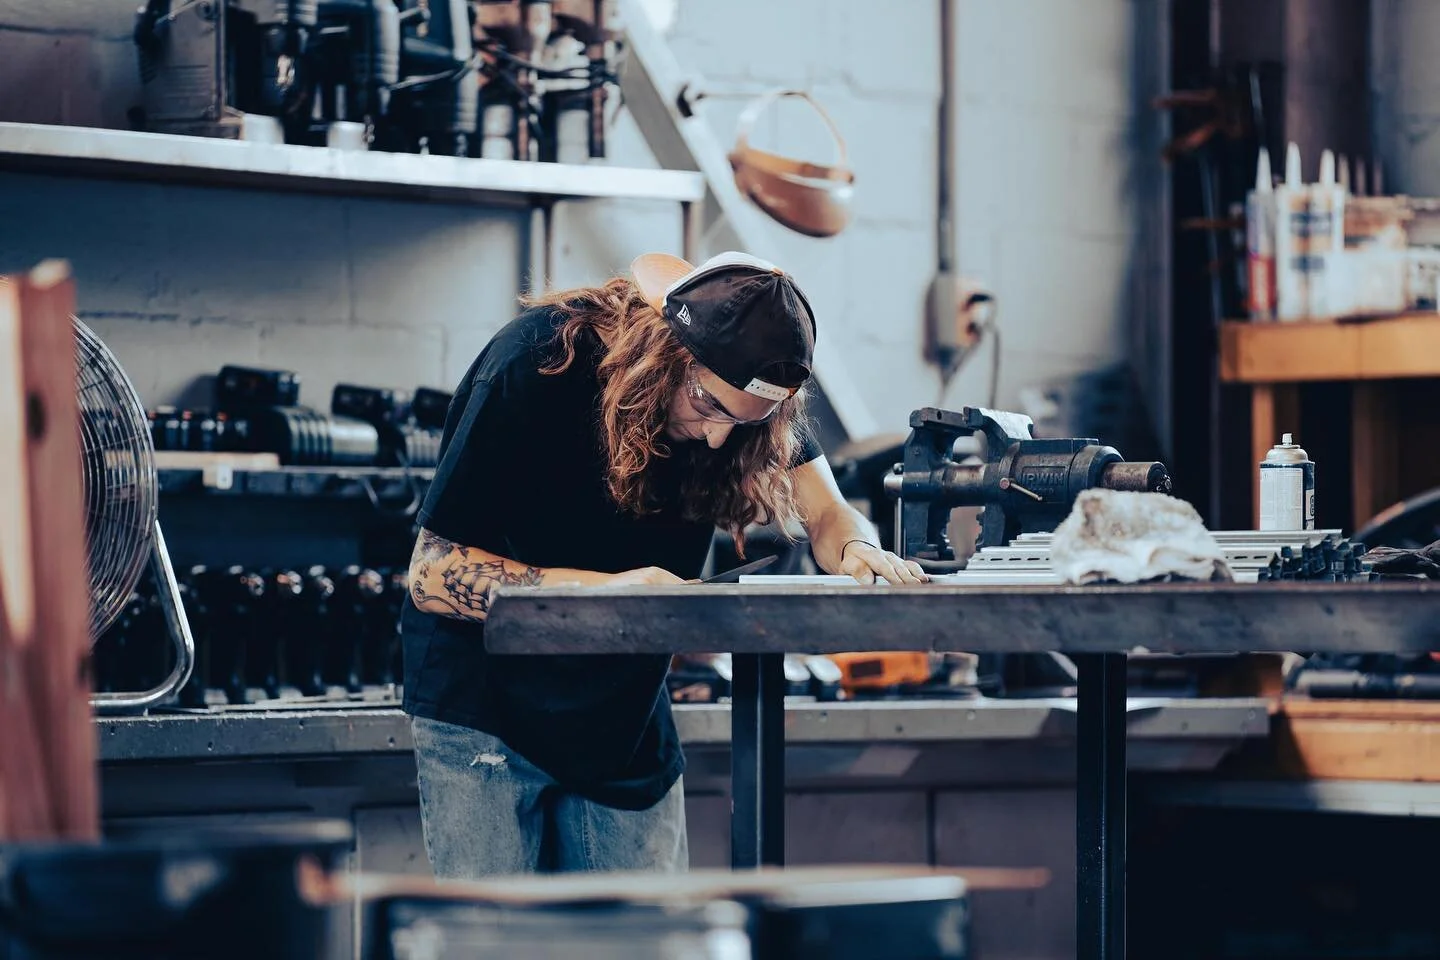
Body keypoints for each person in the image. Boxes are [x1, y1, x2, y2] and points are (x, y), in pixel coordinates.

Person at [400, 250, 928, 879]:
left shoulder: (743, 402)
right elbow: (432, 574)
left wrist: (858, 549)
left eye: (742, 422)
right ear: (665, 353)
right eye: (707, 408)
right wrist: (609, 592)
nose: (716, 439)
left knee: (650, 940)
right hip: (484, 709)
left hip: (620, 710)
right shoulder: (533, 364)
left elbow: (828, 513)